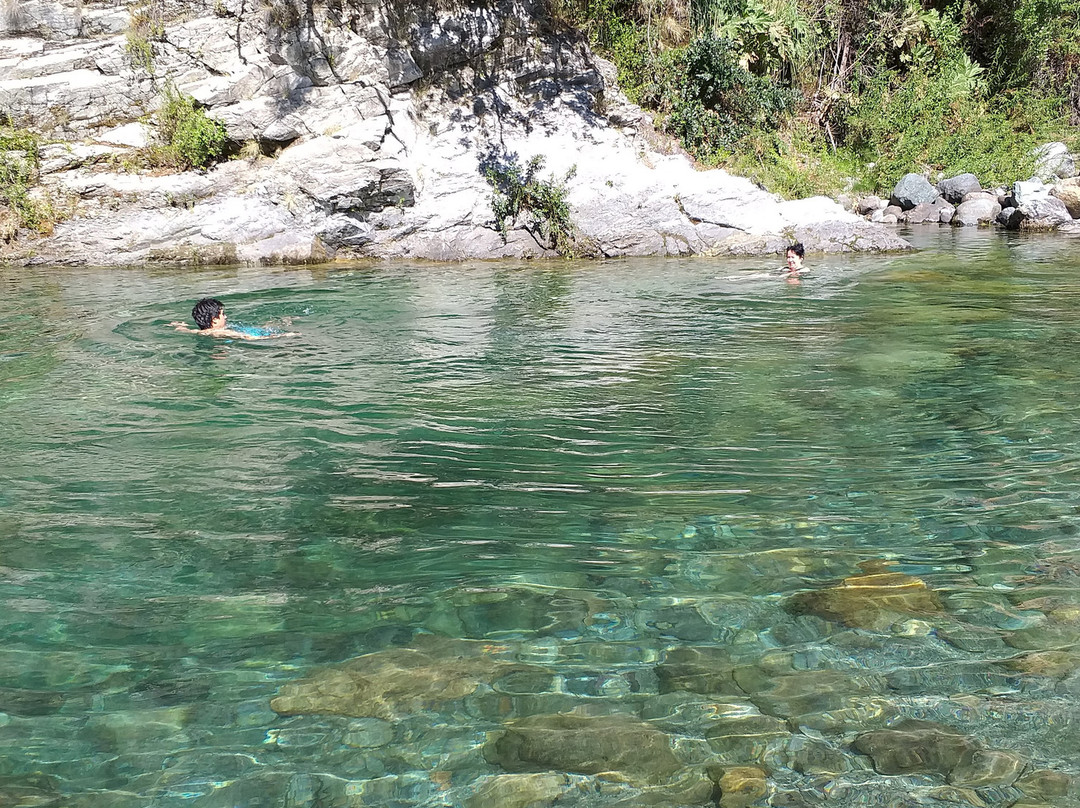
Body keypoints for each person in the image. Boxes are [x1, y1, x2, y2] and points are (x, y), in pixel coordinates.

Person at [169, 297, 298, 340]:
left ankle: (283, 321)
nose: (226, 316)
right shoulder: (221, 332)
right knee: (268, 329)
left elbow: (185, 330)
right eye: (222, 314)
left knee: (266, 326)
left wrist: (178, 326)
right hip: (254, 334)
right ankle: (285, 321)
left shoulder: (201, 332)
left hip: (249, 330)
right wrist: (283, 336)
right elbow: (247, 337)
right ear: (214, 320)